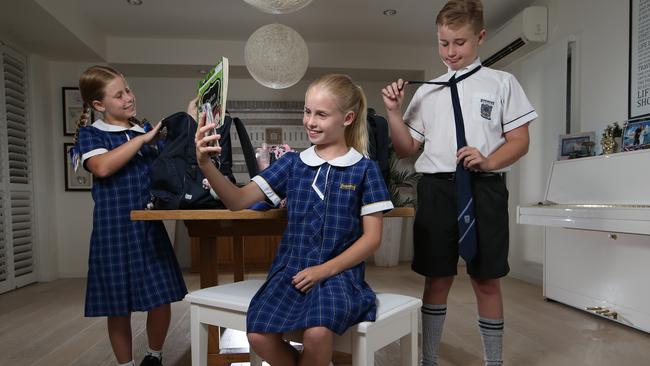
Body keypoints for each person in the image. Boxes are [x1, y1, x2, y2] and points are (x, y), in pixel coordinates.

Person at [194, 74, 393, 366]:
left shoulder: (365, 169)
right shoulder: (291, 164)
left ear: (347, 118)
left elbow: (372, 239)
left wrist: (323, 270)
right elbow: (236, 202)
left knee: (317, 334)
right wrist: (204, 163)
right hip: (290, 271)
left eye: (321, 114)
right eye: (307, 111)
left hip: (339, 275)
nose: (310, 121)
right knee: (259, 335)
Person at [381, 1, 537, 365]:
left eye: (460, 42)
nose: (450, 52)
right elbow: (406, 149)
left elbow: (519, 141)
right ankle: (429, 359)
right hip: (436, 190)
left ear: (480, 37)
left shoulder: (503, 84)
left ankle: (493, 361)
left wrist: (487, 160)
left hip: (485, 189)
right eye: (443, 43)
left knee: (487, 278)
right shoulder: (427, 92)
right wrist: (392, 112)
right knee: (436, 278)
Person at [72, 65, 187, 366]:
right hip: (113, 231)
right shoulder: (91, 134)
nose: (128, 98)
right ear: (99, 105)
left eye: (128, 90)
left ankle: (154, 356)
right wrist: (142, 140)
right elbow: (102, 167)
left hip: (149, 228)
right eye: (118, 95)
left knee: (161, 298)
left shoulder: (145, 130)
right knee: (117, 305)